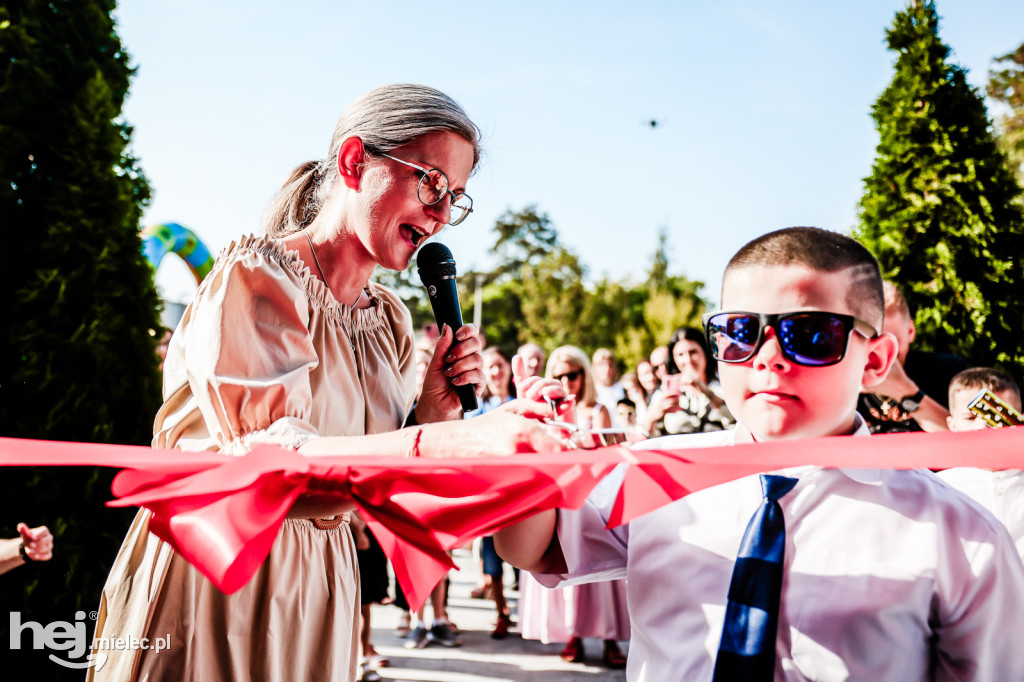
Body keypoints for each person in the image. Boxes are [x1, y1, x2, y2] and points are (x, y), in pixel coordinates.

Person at [89, 84, 565, 682]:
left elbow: (383, 489)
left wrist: (432, 415)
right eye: (432, 184)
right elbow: (277, 468)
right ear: (353, 162)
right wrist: (446, 442)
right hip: (226, 583)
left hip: (326, 590)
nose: (442, 215)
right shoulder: (256, 276)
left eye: (457, 200)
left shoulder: (389, 318)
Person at [496, 226, 1024, 680]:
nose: (768, 357)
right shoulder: (656, 471)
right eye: (740, 332)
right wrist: (526, 460)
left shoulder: (959, 532)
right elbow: (535, 551)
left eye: (811, 334)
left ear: (875, 360)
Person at [523, 345, 629, 668]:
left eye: (573, 374)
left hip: (594, 496)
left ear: (584, 375)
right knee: (564, 565)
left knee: (604, 576)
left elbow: (612, 458)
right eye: (559, 375)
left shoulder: (598, 411)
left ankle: (610, 638)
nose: (567, 381)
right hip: (559, 497)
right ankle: (575, 634)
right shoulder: (545, 416)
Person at [857, 281, 968, 432]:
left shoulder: (948, 372)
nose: (882, 353)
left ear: (910, 331)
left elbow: (965, 438)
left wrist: (905, 392)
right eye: (871, 342)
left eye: (892, 342)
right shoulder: (842, 374)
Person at [937, 367, 1024, 558]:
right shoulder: (938, 487)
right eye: (971, 416)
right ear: (952, 425)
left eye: (998, 415)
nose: (984, 425)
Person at [641, 327, 734, 436]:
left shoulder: (723, 387)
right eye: (680, 355)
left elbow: (736, 423)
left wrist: (707, 393)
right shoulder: (665, 392)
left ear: (704, 352)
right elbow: (647, 435)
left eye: (693, 352)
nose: (688, 360)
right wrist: (651, 417)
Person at [591, 348, 626, 421]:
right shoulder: (590, 391)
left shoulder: (623, 389)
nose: (606, 369)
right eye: (601, 365)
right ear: (594, 367)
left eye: (610, 365)